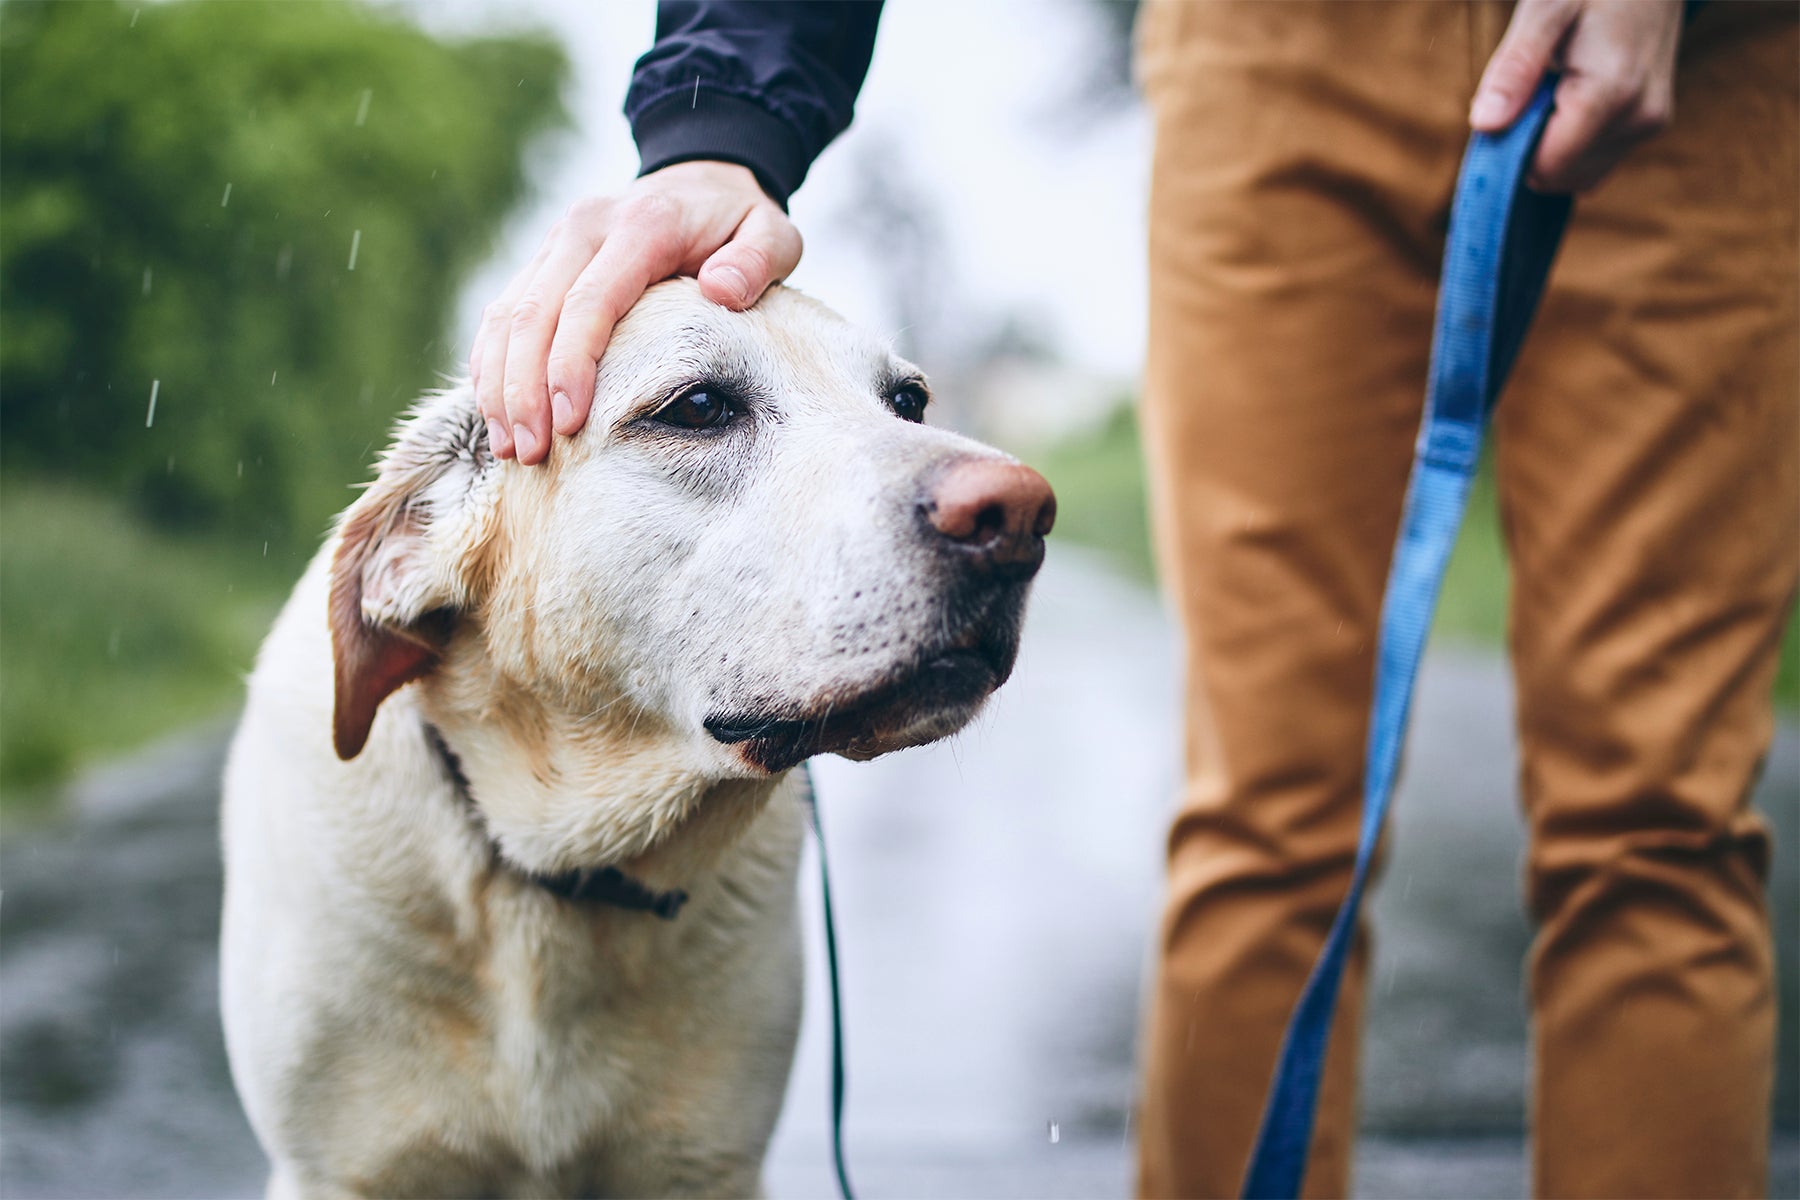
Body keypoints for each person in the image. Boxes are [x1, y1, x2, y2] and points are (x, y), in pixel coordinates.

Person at [470, 2, 1797, 1196]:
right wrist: (723, 118)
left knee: (1656, 822)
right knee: (1273, 811)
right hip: (1280, 52)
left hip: (1705, 56)